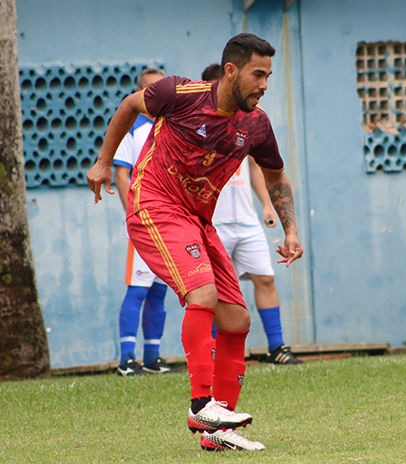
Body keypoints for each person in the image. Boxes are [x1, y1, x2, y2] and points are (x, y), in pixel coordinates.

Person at [87, 33, 303, 452]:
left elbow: (275, 174)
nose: (264, 84)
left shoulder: (256, 125)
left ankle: (218, 434)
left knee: (237, 319)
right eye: (258, 74)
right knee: (201, 292)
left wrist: (290, 230)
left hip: (198, 221)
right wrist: (101, 161)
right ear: (231, 70)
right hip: (154, 205)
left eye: (269, 77)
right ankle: (201, 404)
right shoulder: (179, 93)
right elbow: (131, 105)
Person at [202, 63, 302, 365]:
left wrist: (267, 205)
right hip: (212, 222)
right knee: (211, 292)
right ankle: (215, 353)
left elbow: (261, 168)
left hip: (246, 221)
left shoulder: (248, 122)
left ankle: (277, 349)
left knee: (266, 278)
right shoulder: (197, 123)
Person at [112, 67, 176, 376]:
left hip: (168, 225)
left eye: (160, 87)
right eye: (148, 89)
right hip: (142, 224)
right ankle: (126, 359)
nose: (155, 93)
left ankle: (153, 359)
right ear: (140, 93)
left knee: (158, 292)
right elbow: (121, 173)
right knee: (137, 290)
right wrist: (133, 214)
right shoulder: (132, 129)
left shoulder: (174, 126)